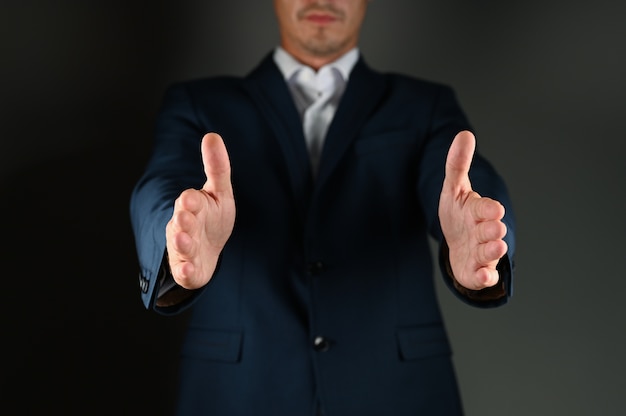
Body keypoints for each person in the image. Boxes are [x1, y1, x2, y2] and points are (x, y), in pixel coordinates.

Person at [130, 0, 516, 415]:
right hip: (240, 391)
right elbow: (160, 185)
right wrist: (176, 234)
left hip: (395, 390)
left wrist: (481, 235)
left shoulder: (426, 106)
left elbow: (466, 182)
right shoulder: (197, 103)